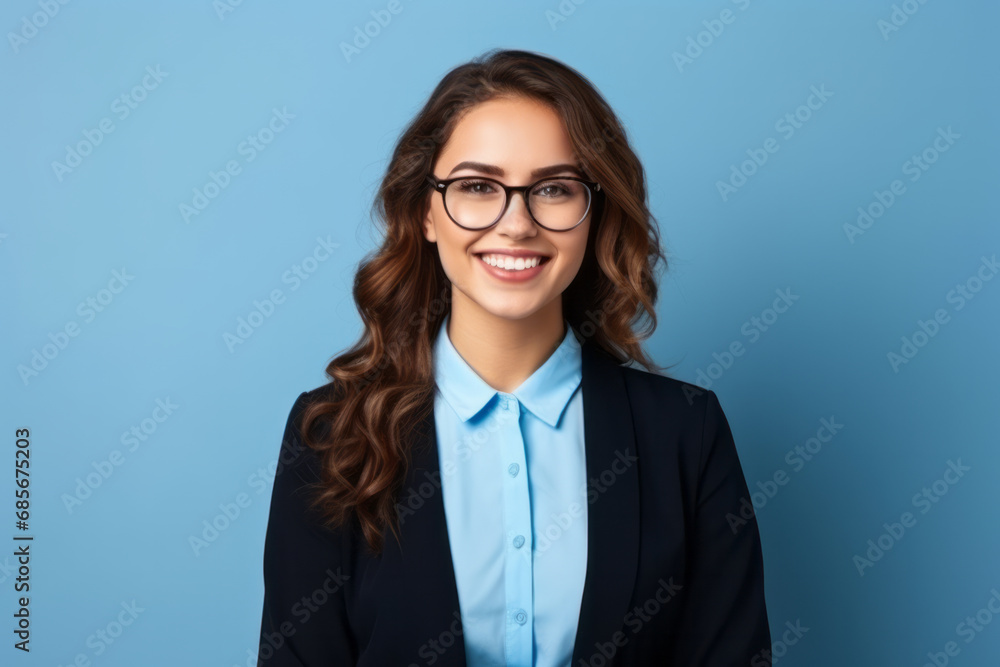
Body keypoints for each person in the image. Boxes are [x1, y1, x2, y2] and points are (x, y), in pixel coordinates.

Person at [256, 48, 771, 666]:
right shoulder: (331, 436)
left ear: (594, 211)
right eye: (477, 187)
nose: (517, 223)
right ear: (425, 210)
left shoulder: (685, 433)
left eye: (553, 188)